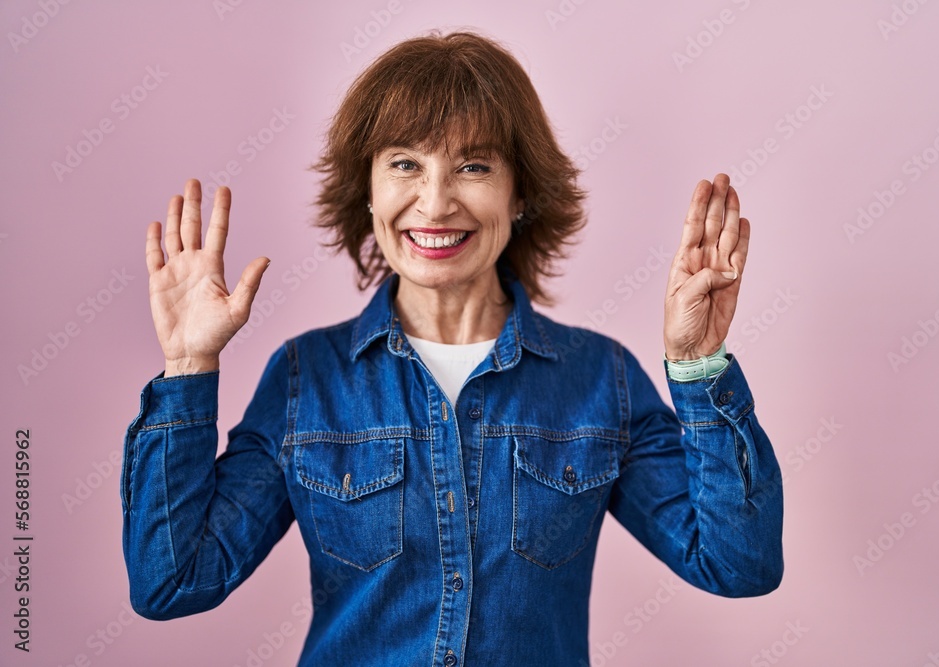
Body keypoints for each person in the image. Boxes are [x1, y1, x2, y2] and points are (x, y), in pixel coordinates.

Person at [121, 30, 783, 666]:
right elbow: (173, 581)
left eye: (472, 165)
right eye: (405, 163)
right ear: (371, 190)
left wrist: (698, 366)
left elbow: (737, 563)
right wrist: (187, 369)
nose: (435, 203)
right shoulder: (305, 378)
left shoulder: (599, 378)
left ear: (520, 192)